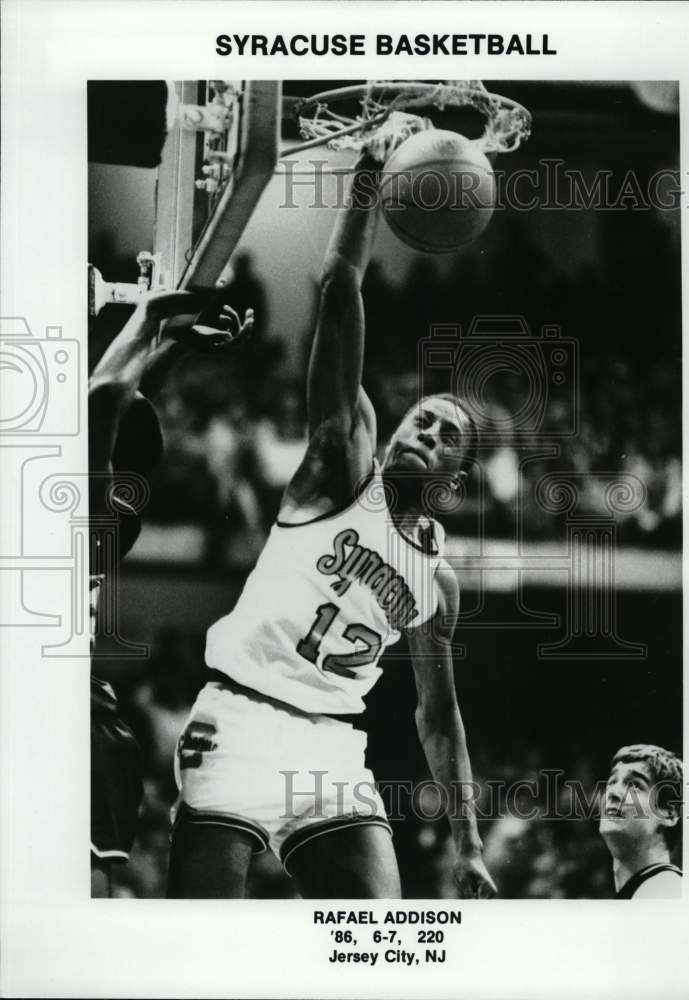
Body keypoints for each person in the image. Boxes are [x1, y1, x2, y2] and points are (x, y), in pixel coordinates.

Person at [167, 154, 497, 900]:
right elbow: (339, 287)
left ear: (454, 479)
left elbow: (438, 718)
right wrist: (372, 171)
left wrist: (467, 843)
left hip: (331, 749)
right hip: (240, 716)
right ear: (386, 435)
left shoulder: (436, 581)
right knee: (196, 940)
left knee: (377, 932)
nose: (429, 433)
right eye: (422, 420)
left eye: (447, 436)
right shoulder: (338, 468)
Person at [88, 290, 253, 896]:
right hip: (87, 715)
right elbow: (121, 405)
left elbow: (107, 399)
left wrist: (153, 314)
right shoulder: (109, 514)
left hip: (69, 712)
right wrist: (177, 346)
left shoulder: (82, 505)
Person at [599, 743, 683, 899]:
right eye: (612, 782)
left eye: (635, 785)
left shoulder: (668, 892)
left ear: (669, 814)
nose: (613, 792)